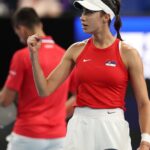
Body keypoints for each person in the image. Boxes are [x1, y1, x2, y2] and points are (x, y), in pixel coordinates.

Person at [27, 0, 150, 149]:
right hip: (80, 126)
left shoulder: (128, 53)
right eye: (83, 12)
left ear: (106, 16)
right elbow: (44, 89)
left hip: (112, 127)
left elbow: (143, 102)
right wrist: (34, 57)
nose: (82, 17)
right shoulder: (75, 50)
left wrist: (145, 140)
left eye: (89, 12)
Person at [0, 7, 76, 150]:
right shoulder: (65, 55)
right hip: (59, 137)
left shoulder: (22, 56)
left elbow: (5, 100)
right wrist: (58, 114)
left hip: (27, 136)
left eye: (17, 34)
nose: (19, 38)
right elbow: (79, 96)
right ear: (40, 25)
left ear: (21, 29)